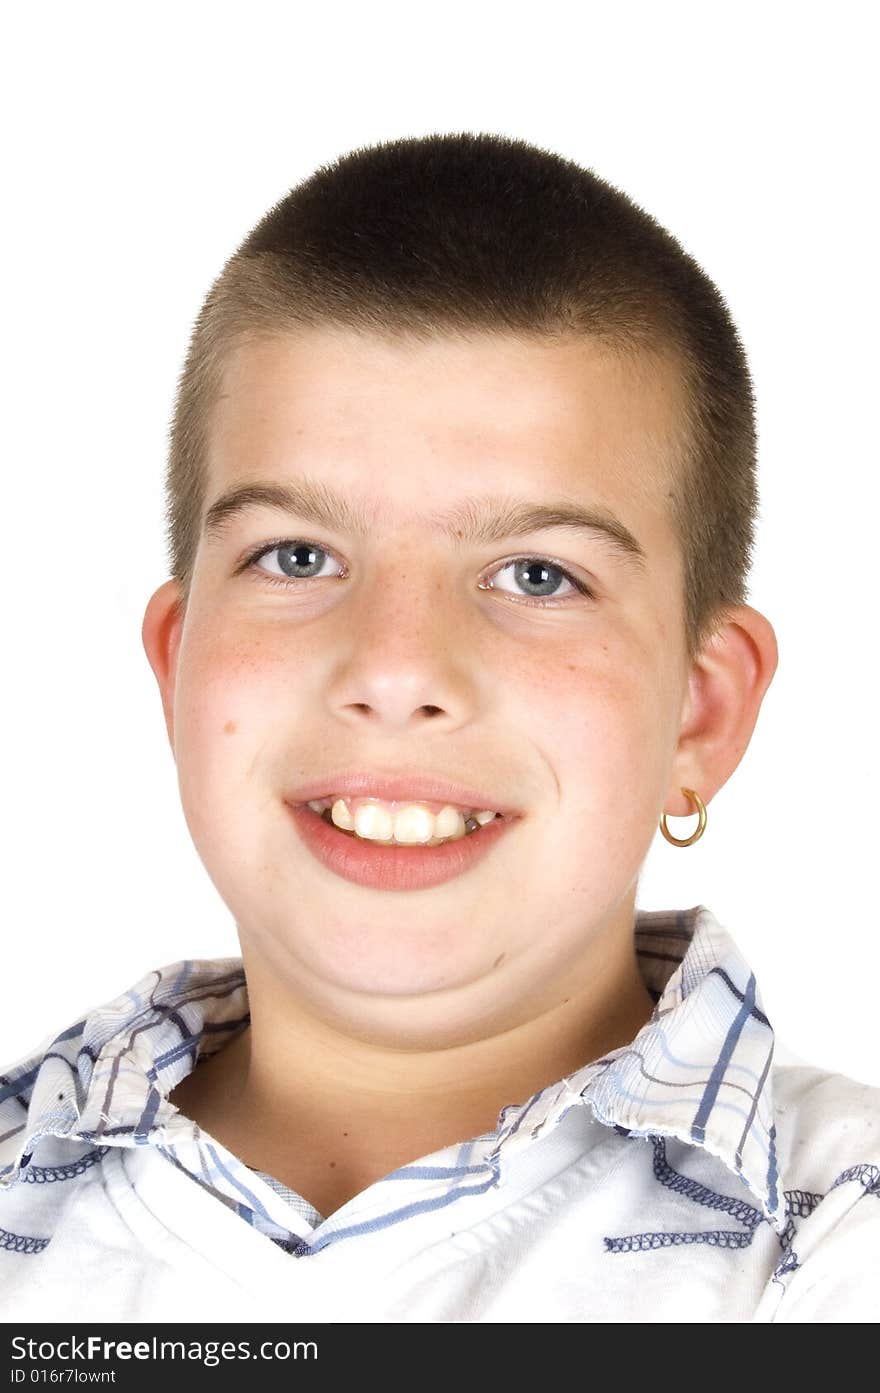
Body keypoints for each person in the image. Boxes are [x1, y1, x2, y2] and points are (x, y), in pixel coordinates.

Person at [1, 131, 877, 1324]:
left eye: (535, 575)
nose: (397, 670)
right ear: (177, 665)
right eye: (297, 556)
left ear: (701, 709)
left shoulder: (838, 1239)